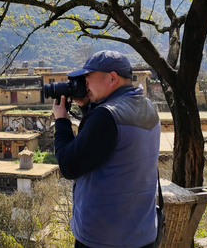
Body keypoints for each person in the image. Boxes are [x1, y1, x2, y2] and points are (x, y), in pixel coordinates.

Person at [53, 50, 161, 248]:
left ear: (112, 78)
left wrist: (61, 121)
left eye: (88, 80)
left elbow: (68, 165)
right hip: (142, 232)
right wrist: (87, 108)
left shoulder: (105, 117)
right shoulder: (148, 107)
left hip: (103, 239)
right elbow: (108, 143)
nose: (85, 87)